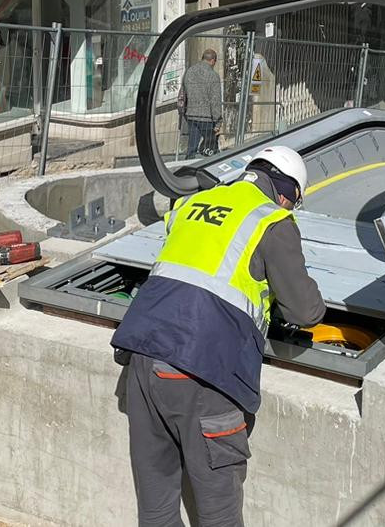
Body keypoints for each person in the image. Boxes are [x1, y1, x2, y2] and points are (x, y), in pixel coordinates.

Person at [111, 146, 326, 527]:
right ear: (286, 192)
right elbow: (305, 311)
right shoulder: (272, 220)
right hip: (203, 371)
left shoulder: (194, 202)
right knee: (219, 515)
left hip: (143, 359)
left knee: (156, 511)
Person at [178, 49, 224, 157]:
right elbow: (215, 100)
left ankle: (189, 165)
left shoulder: (189, 71)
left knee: (192, 148)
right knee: (211, 148)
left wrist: (184, 111)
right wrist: (218, 121)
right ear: (212, 60)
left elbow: (183, 93)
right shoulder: (213, 75)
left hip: (191, 115)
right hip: (206, 118)